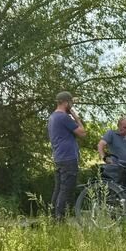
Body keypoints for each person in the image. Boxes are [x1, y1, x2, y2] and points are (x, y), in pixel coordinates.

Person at [47, 91, 87, 220]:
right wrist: (75, 116)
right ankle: (60, 219)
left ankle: (52, 216)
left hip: (59, 157)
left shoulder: (52, 117)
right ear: (66, 102)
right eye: (71, 102)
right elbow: (82, 133)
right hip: (68, 158)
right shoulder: (64, 117)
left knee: (58, 189)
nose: (72, 104)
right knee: (66, 190)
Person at [96, 116, 126, 192]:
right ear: (118, 126)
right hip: (116, 170)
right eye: (125, 127)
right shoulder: (111, 134)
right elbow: (100, 145)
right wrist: (105, 158)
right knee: (116, 192)